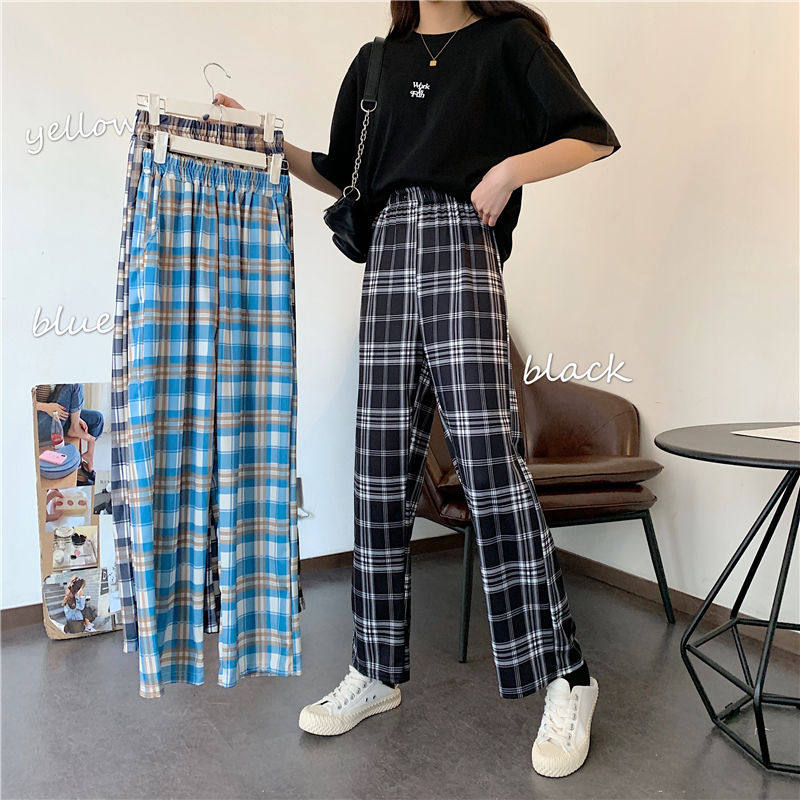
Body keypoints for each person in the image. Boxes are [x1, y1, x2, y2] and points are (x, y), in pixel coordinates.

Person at [216, 0, 620, 777]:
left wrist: (509, 169)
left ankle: (568, 676)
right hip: (388, 258)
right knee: (378, 468)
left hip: (463, 248)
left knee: (491, 465)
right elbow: (341, 174)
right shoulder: (377, 61)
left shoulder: (506, 43)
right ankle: (375, 668)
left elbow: (590, 135)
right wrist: (265, 143)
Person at [36, 383, 103, 483]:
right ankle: (74, 428)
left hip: (55, 414)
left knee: (97, 418)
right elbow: (19, 402)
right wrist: (46, 407)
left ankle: (88, 458)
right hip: (38, 422)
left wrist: (76, 417)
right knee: (74, 384)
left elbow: (62, 396)